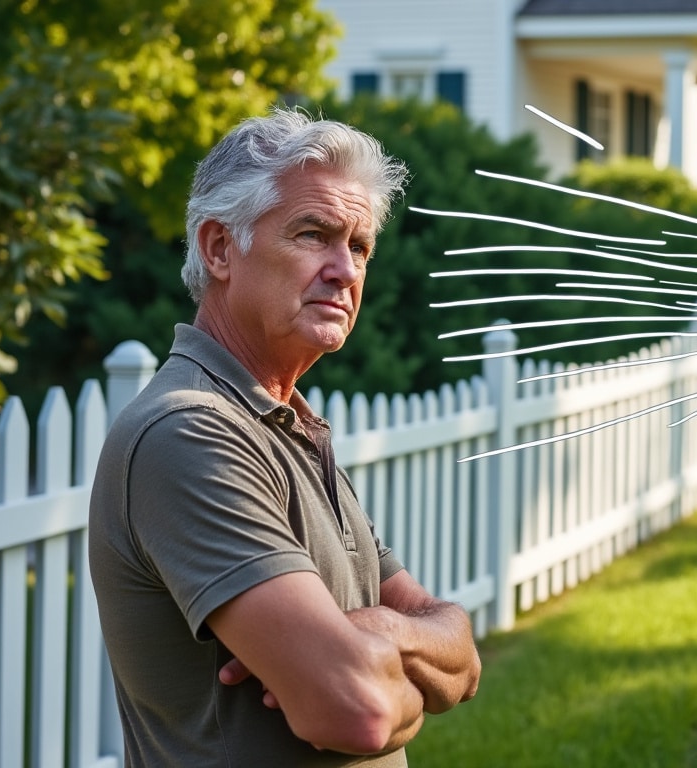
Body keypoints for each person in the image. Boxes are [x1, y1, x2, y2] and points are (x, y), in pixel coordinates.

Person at [89, 107, 481, 766]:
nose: (346, 271)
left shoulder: (288, 425)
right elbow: (359, 710)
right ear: (219, 248)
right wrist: (390, 654)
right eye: (313, 234)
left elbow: (463, 661)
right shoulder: (189, 433)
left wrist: (377, 630)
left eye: (359, 246)